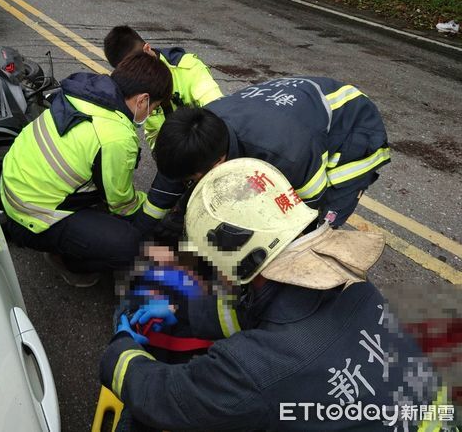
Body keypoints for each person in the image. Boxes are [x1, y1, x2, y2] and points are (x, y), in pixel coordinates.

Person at [99, 158, 455, 431]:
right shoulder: (354, 287)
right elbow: (268, 313)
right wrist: (184, 310)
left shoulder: (253, 369)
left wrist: (120, 350)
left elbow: (168, 398)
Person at [0, 53, 172, 287]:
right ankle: (68, 262)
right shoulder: (116, 137)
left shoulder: (83, 91)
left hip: (12, 188)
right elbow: (122, 204)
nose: (151, 114)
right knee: (128, 244)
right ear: (142, 100)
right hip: (31, 218)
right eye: (154, 107)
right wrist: (152, 208)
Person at [152, 77, 391, 229]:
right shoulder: (202, 126)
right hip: (297, 107)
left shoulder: (288, 155)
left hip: (353, 128)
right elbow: (176, 178)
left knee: (321, 227)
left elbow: (306, 208)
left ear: (218, 163)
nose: (189, 184)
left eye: (191, 179)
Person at [103, 25, 223, 149]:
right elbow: (153, 132)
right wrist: (162, 154)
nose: (137, 71)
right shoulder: (135, 81)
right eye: (130, 68)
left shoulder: (189, 68)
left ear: (147, 49)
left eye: (140, 62)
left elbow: (220, 112)